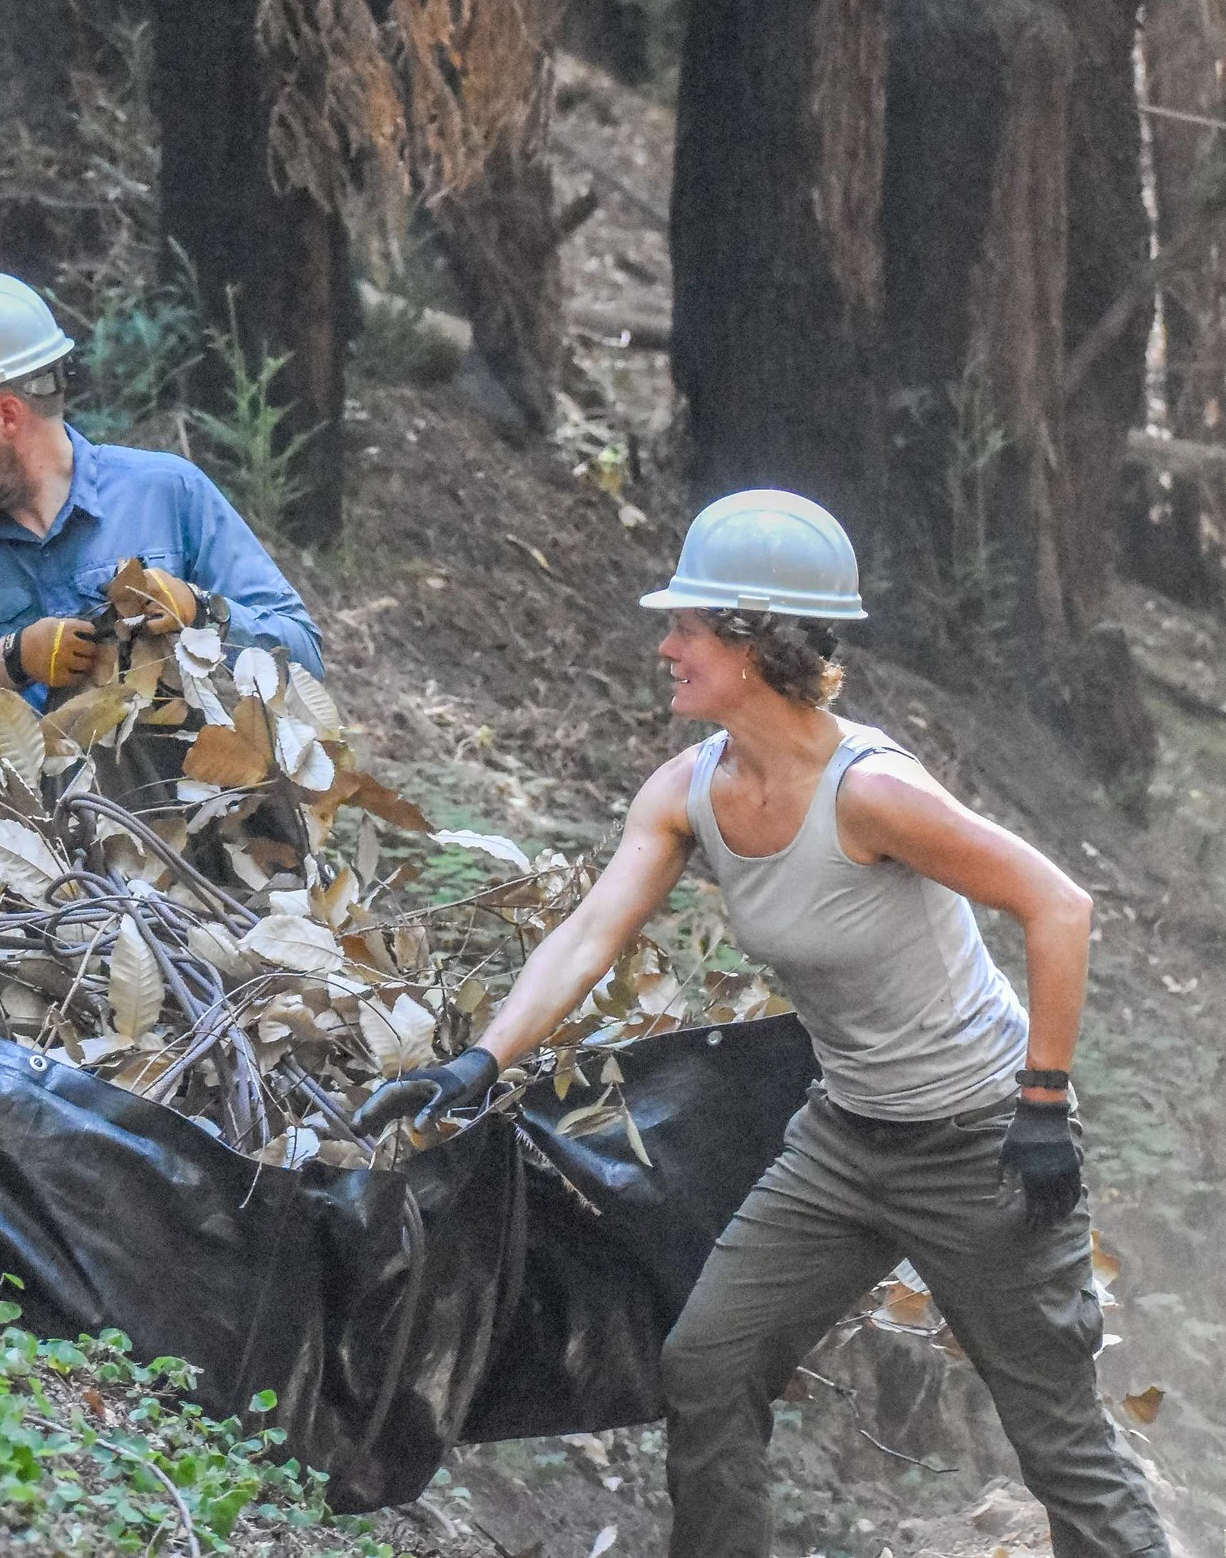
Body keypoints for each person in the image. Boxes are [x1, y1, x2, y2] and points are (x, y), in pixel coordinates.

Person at [357, 490, 1168, 1558]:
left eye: (685, 627)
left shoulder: (871, 791)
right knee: (707, 1365)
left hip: (980, 1142)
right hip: (842, 1137)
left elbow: (1058, 905)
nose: (665, 646)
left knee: (1058, 1448)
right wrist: (476, 1059)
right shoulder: (688, 789)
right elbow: (593, 931)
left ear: (751, 640)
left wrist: (1044, 1103)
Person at [0, 270, 322, 737]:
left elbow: (305, 661)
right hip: (8, 810)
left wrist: (204, 613)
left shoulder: (167, 494)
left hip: (166, 804)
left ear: (7, 415)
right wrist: (6, 664)